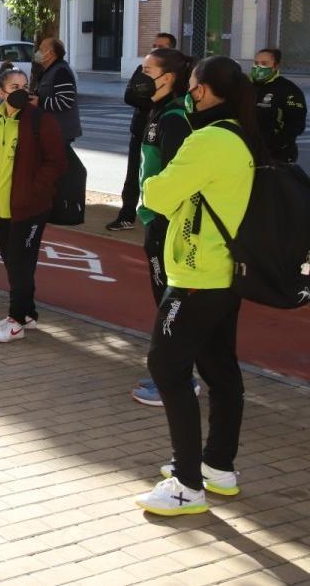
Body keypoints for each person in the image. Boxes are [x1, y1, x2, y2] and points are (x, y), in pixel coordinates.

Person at [134, 56, 262, 516]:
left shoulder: (208, 140)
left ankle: (188, 483)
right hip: (224, 272)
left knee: (166, 366)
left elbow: (159, 194)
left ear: (203, 91)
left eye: (191, 86)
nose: (189, 94)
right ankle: (217, 468)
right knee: (220, 369)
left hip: (197, 274)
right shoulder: (241, 136)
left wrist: (155, 187)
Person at [127, 48, 202, 407]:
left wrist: (161, 222)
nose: (139, 76)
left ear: (168, 77)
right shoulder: (158, 111)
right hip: (155, 221)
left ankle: (179, 380)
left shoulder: (174, 119)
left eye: (147, 70)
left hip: (166, 225)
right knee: (164, 303)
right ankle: (176, 374)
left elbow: (176, 179)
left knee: (170, 306)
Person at [0, 67, 67, 343]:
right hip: (2, 206)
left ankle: (15, 320)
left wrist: (34, 191)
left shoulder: (40, 120)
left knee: (20, 264)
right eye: (13, 86)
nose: (20, 91)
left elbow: (56, 162)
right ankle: (27, 312)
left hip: (29, 207)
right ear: (0, 92)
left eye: (24, 85)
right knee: (11, 262)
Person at [108, 33, 177, 231]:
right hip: (140, 129)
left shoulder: (177, 75)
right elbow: (130, 95)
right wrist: (151, 100)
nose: (155, 48)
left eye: (160, 46)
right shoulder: (142, 69)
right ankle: (127, 215)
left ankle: (159, 218)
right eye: (153, 44)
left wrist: (148, 99)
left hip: (161, 132)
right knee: (133, 174)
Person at [251, 48, 306, 164]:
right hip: (247, 151)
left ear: (275, 66)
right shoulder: (246, 86)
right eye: (256, 63)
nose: (258, 67)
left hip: (276, 156)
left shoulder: (288, 90)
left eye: (264, 64)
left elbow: (296, 125)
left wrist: (273, 145)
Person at [30, 37, 82, 143]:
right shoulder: (49, 70)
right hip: (52, 131)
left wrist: (39, 101)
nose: (38, 53)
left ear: (50, 54)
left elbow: (65, 102)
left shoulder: (61, 71)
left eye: (41, 49)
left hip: (61, 133)